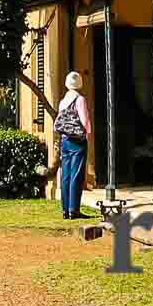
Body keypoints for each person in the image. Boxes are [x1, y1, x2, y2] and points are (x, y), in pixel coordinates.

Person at [53, 70, 93, 220]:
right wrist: (87, 133)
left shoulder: (63, 101)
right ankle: (74, 210)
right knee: (76, 175)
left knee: (66, 175)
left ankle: (65, 210)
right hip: (77, 141)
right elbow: (85, 120)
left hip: (65, 140)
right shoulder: (80, 99)